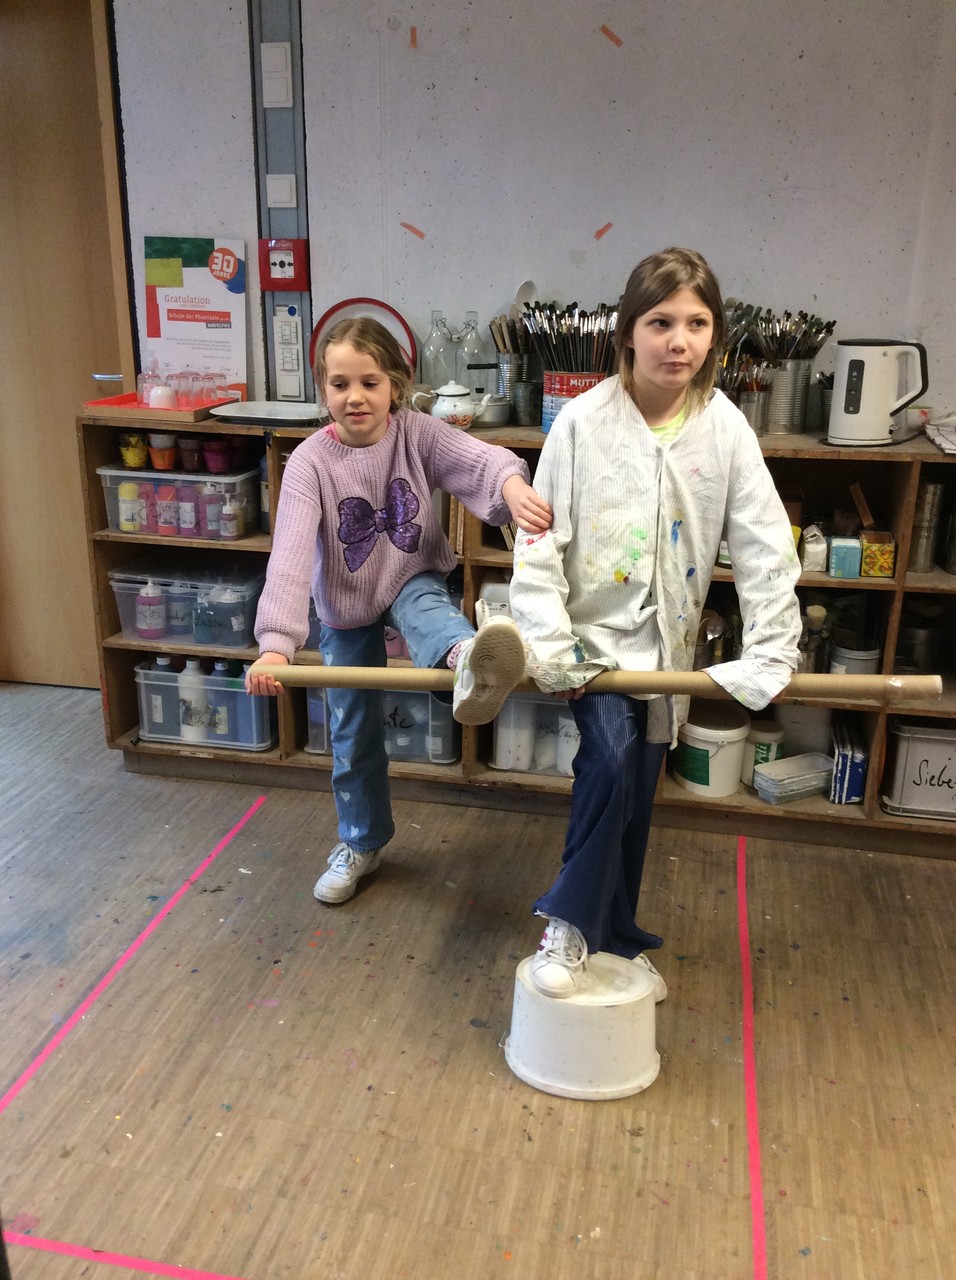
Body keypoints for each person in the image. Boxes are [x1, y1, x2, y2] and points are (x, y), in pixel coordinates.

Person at [509, 247, 802, 999]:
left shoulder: (725, 429)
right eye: (661, 322)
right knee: (608, 762)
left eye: (697, 324)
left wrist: (773, 648)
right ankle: (568, 925)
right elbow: (538, 548)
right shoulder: (582, 423)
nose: (680, 341)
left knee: (638, 791)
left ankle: (613, 936)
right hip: (593, 648)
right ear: (628, 333)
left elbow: (765, 546)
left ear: (716, 336)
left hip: (670, 652)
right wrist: (552, 647)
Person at [246, 316, 551, 904]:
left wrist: (511, 487)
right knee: (353, 731)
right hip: (343, 602)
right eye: (340, 384)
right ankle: (361, 843)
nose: (355, 397)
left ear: (396, 385)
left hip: (411, 573)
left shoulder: (418, 432)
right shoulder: (308, 462)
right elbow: (288, 555)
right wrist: (276, 644)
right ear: (323, 388)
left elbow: (481, 460)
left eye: (369, 382)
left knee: (426, 608)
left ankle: (467, 659)